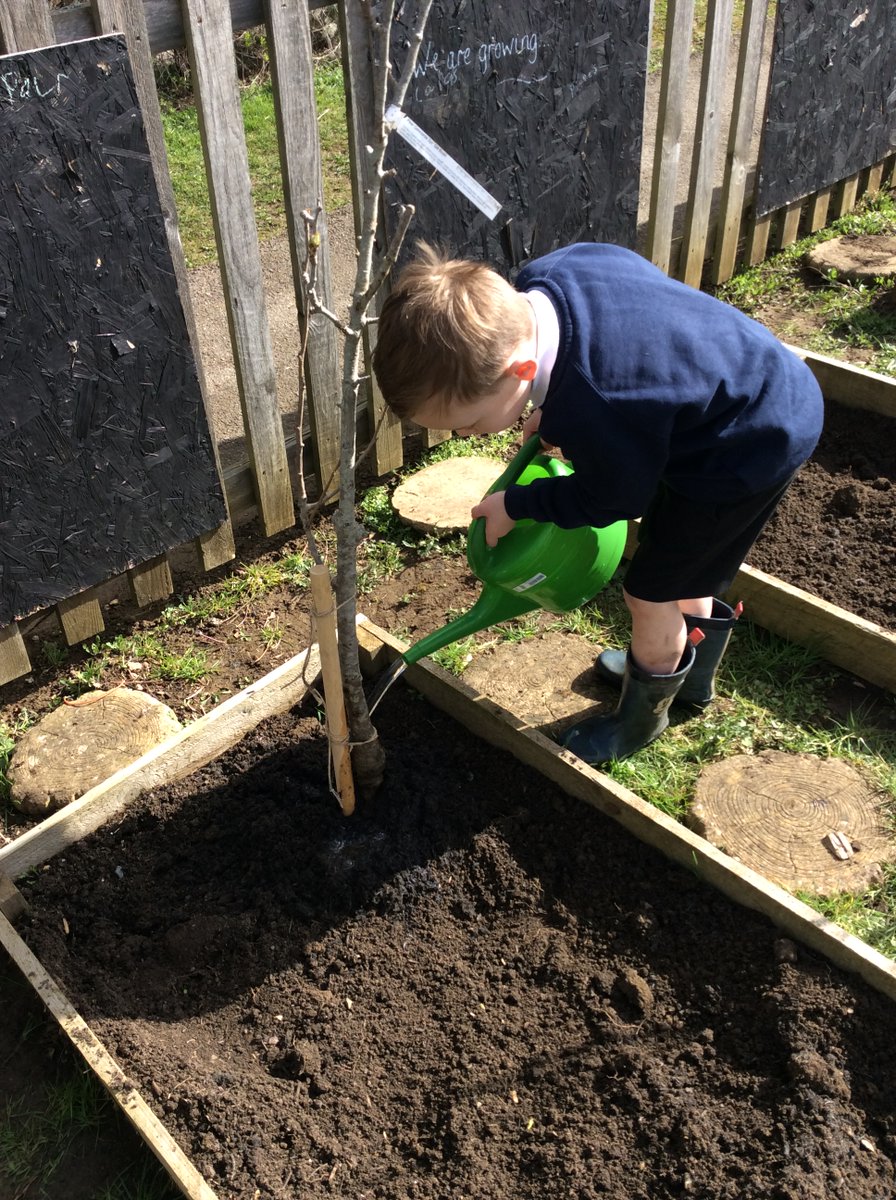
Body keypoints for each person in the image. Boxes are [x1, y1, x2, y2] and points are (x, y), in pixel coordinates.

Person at [371, 242, 824, 765]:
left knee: (651, 593)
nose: (464, 433)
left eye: (468, 423)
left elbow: (611, 498)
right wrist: (560, 409)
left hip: (744, 446)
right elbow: (626, 314)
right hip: (735, 385)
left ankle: (639, 720)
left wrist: (520, 504)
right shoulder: (552, 275)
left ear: (521, 372)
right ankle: (690, 679)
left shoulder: (604, 401)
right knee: (683, 561)